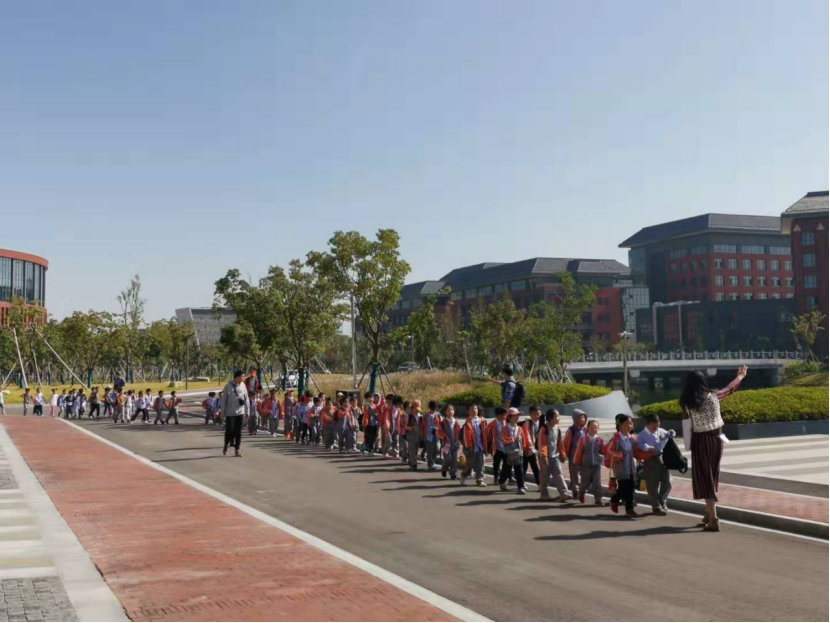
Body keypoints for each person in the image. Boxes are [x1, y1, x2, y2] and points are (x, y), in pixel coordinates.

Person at [680, 366, 747, 532]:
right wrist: (740, 376)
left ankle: (714, 519)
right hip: (717, 439)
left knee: (704, 478)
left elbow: (687, 424)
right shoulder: (714, 396)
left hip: (700, 440)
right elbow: (729, 389)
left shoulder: (687, 402)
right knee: (712, 475)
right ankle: (707, 514)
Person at [637, 413, 676, 516]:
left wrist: (672, 433)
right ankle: (656, 507)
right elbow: (639, 445)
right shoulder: (642, 435)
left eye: (658, 426)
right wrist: (647, 447)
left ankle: (662, 501)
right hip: (650, 460)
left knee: (668, 481)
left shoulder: (661, 431)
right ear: (648, 425)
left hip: (663, 458)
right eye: (654, 427)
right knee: (652, 484)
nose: (656, 428)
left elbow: (669, 435)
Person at [607, 415, 644, 518]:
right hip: (620, 468)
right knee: (623, 487)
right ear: (620, 425)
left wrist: (640, 457)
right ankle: (614, 500)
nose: (630, 425)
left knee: (631, 489)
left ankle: (629, 509)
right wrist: (619, 455)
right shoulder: (616, 438)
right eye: (627, 423)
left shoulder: (632, 438)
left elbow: (636, 450)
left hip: (631, 467)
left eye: (631, 423)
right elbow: (609, 451)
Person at [538, 409, 570, 502]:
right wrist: (544, 455)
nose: (558, 418)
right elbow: (542, 443)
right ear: (550, 418)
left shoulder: (557, 429)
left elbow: (560, 443)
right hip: (545, 457)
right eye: (556, 416)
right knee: (545, 476)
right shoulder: (544, 429)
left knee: (559, 474)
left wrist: (563, 454)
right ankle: (544, 494)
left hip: (555, 456)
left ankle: (563, 492)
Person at [574, 420, 607, 506]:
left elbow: (604, 451)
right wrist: (576, 462)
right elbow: (578, 452)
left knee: (597, 483)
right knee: (585, 482)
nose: (594, 429)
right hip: (585, 465)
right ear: (587, 428)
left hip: (596, 465)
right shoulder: (583, 439)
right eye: (591, 427)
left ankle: (598, 499)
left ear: (598, 429)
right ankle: (581, 492)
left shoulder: (599, 440)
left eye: (596, 427)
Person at [500, 408, 530, 494]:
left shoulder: (519, 428)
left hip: (518, 452)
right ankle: (501, 481)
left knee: (519, 470)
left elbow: (523, 440)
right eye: (515, 416)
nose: (517, 417)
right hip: (507, 453)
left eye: (518, 416)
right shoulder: (505, 428)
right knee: (506, 469)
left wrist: (525, 448)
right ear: (509, 417)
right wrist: (513, 439)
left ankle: (521, 487)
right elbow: (504, 439)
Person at [220, 370, 249, 458]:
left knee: (238, 432)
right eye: (242, 376)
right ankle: (226, 445)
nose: (244, 378)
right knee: (229, 431)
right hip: (230, 413)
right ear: (237, 377)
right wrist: (223, 412)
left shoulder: (243, 385)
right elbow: (224, 400)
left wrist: (247, 411)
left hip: (240, 412)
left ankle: (237, 450)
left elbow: (246, 398)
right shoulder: (228, 386)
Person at [460, 405, 488, 487]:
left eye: (475, 408)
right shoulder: (467, 423)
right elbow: (465, 436)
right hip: (471, 448)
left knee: (480, 465)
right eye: (471, 409)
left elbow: (486, 434)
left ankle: (480, 480)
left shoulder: (482, 421)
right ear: (468, 411)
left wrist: (486, 446)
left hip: (480, 447)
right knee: (469, 466)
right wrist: (469, 447)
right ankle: (463, 475)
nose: (474, 410)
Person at [563, 410, 588, 499]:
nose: (583, 419)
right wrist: (564, 454)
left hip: (583, 455)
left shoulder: (585, 430)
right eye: (581, 417)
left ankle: (580, 488)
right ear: (576, 418)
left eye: (584, 417)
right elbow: (566, 443)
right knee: (574, 474)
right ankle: (575, 490)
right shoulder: (571, 430)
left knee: (583, 473)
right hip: (574, 455)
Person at [438, 405, 461, 480]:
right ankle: (444, 469)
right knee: (448, 459)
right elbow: (439, 432)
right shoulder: (442, 423)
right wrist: (444, 436)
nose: (450, 411)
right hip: (446, 445)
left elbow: (459, 432)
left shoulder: (456, 422)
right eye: (448, 410)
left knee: (454, 459)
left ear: (454, 411)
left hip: (455, 443)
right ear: (445, 412)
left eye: (452, 410)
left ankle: (453, 474)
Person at [522, 405, 543, 486]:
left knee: (534, 467)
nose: (537, 416)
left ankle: (539, 484)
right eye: (534, 414)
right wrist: (528, 448)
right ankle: (521, 484)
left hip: (534, 449)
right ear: (530, 415)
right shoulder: (528, 423)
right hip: (527, 449)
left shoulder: (541, 423)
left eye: (538, 414)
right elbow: (526, 436)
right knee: (524, 467)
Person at [487, 408, 508, 485]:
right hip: (497, 448)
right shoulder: (492, 424)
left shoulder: (507, 423)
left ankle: (505, 477)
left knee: (507, 463)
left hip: (506, 447)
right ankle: (496, 477)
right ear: (499, 415)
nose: (505, 417)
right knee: (496, 463)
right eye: (504, 415)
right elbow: (488, 436)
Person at [421, 401, 441, 471]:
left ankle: (432, 460)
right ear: (429, 408)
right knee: (429, 451)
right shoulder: (425, 416)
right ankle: (430, 464)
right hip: (428, 435)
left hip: (436, 435)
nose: (433, 410)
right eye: (432, 409)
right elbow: (422, 427)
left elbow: (441, 425)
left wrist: (437, 429)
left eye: (434, 409)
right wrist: (423, 436)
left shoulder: (438, 415)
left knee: (437, 448)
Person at [405, 400, 422, 471]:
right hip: (411, 436)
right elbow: (406, 426)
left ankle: (411, 461)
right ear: (412, 408)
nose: (417, 411)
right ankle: (414, 464)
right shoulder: (409, 417)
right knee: (412, 450)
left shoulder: (421, 417)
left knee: (416, 451)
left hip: (418, 436)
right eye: (416, 409)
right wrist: (411, 428)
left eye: (418, 410)